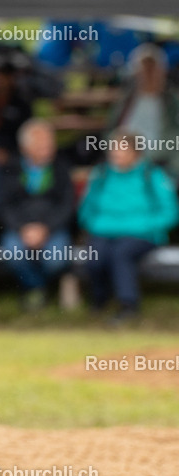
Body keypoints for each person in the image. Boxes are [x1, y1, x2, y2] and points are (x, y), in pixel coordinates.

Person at [79, 130, 179, 323]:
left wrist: (144, 226)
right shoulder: (101, 174)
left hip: (142, 234)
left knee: (121, 253)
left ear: (136, 153)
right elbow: (86, 209)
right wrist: (93, 224)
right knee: (95, 255)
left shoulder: (152, 175)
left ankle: (128, 305)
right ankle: (100, 300)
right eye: (114, 150)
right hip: (103, 231)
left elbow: (170, 213)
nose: (116, 154)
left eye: (122, 150)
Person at [0, 119, 75, 311]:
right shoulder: (11, 169)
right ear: (25, 148)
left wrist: (45, 228)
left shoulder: (61, 167)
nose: (47, 150)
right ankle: (37, 287)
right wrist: (23, 228)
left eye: (50, 145)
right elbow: (5, 205)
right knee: (13, 253)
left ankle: (38, 288)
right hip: (20, 229)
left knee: (56, 259)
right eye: (41, 146)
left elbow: (67, 205)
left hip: (52, 228)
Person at [106, 44, 179, 179]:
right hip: (125, 157)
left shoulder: (172, 102)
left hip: (161, 161)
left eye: (153, 69)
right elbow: (112, 130)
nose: (148, 75)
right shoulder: (126, 101)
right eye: (144, 70)